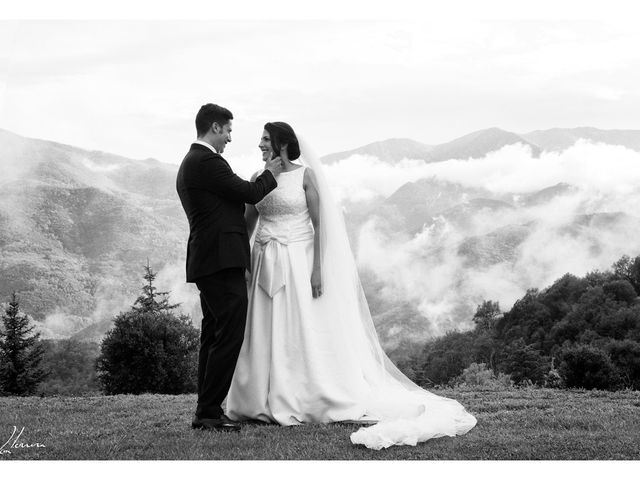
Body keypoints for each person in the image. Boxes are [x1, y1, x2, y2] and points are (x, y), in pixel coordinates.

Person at [226, 122, 478, 449]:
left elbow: (320, 227)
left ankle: (303, 394)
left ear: (281, 144)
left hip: (299, 263)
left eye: (264, 139)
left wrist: (317, 270)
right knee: (262, 330)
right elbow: (247, 224)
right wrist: (245, 264)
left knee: (298, 329)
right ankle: (256, 398)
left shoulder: (305, 176)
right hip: (264, 261)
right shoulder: (255, 179)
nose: (259, 144)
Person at [176, 104, 282, 432]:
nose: (230, 138)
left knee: (213, 335)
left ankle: (206, 410)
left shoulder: (193, 162)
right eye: (229, 131)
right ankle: (208, 412)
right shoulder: (206, 161)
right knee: (228, 334)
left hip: (210, 260)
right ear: (216, 128)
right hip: (220, 261)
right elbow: (248, 193)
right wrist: (272, 175)